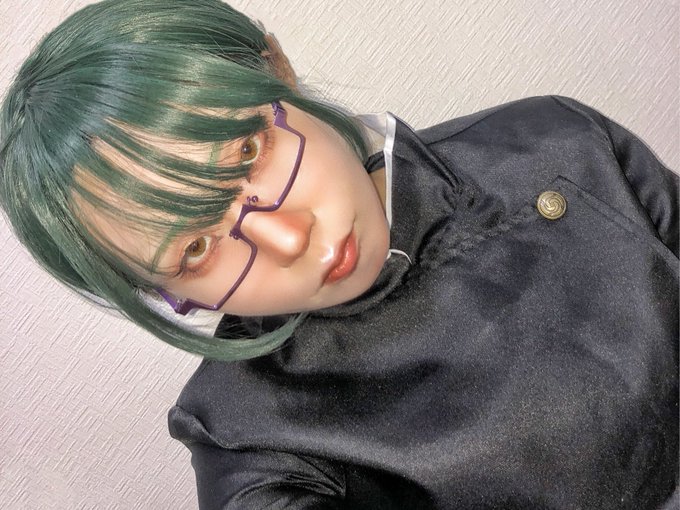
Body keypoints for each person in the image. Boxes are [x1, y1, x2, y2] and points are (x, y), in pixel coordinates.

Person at [0, 0, 677, 508]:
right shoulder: (250, 443)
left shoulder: (556, 144)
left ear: (277, 70)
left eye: (248, 151)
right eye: (197, 248)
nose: (289, 238)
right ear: (165, 295)